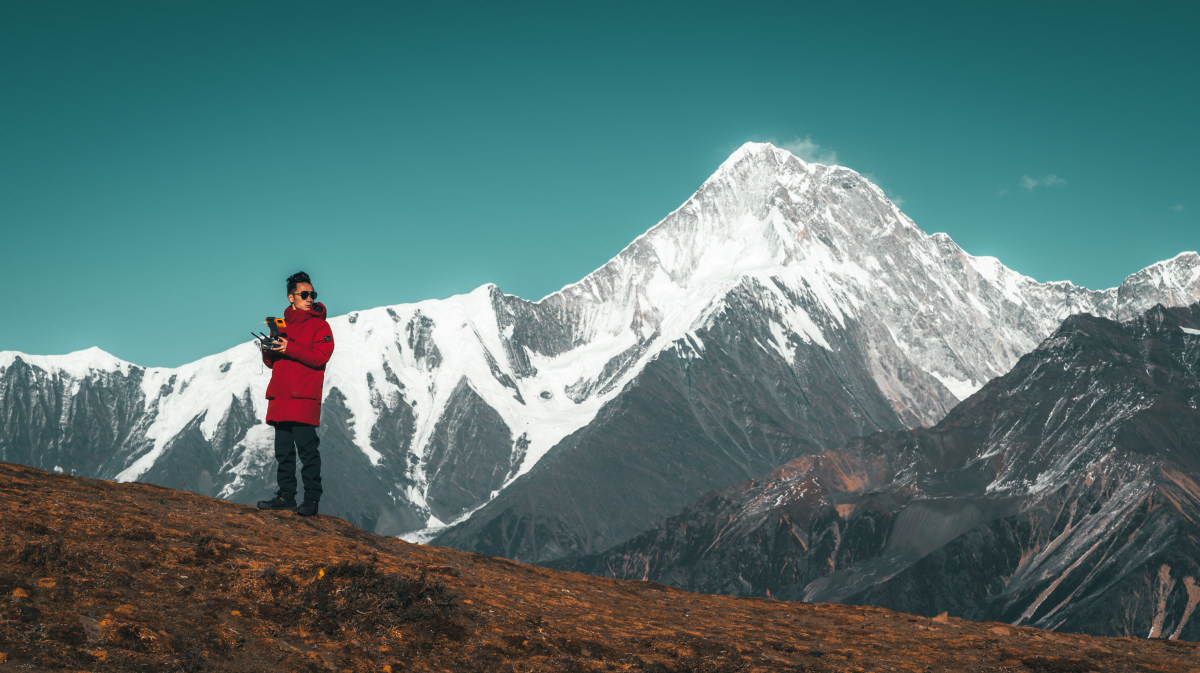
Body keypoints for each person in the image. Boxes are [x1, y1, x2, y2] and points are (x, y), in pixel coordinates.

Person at [256, 271, 335, 516]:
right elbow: (271, 363)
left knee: (308, 452)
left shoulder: (321, 325)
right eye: (304, 294)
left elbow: (320, 357)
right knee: (283, 452)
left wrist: (290, 347)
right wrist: (268, 349)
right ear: (291, 297)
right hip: (281, 397)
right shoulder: (280, 325)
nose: (309, 298)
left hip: (303, 397)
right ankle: (286, 496)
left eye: (312, 294)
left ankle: (311, 501)